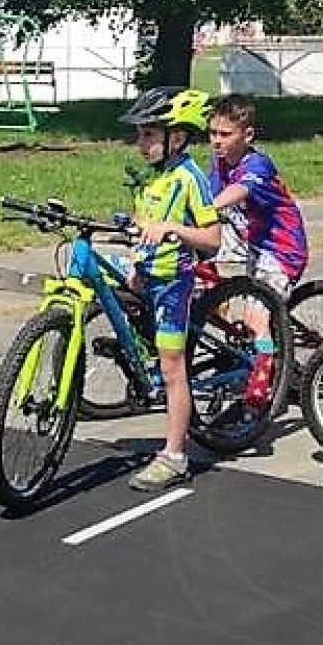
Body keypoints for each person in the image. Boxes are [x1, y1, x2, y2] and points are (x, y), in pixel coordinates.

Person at [117, 86, 222, 494]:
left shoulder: (190, 179)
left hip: (173, 283)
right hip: (146, 273)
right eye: (139, 134)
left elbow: (212, 239)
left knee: (172, 367)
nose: (140, 143)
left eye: (148, 134)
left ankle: (175, 456)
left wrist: (173, 229)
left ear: (176, 137)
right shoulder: (155, 177)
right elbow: (145, 224)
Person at [206, 93, 308, 402]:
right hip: (248, 240)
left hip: (280, 249)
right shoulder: (219, 164)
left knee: (255, 319)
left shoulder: (258, 164)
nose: (217, 141)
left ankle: (264, 379)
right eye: (212, 133)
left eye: (225, 134)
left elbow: (238, 191)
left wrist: (207, 208)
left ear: (247, 135)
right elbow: (206, 196)